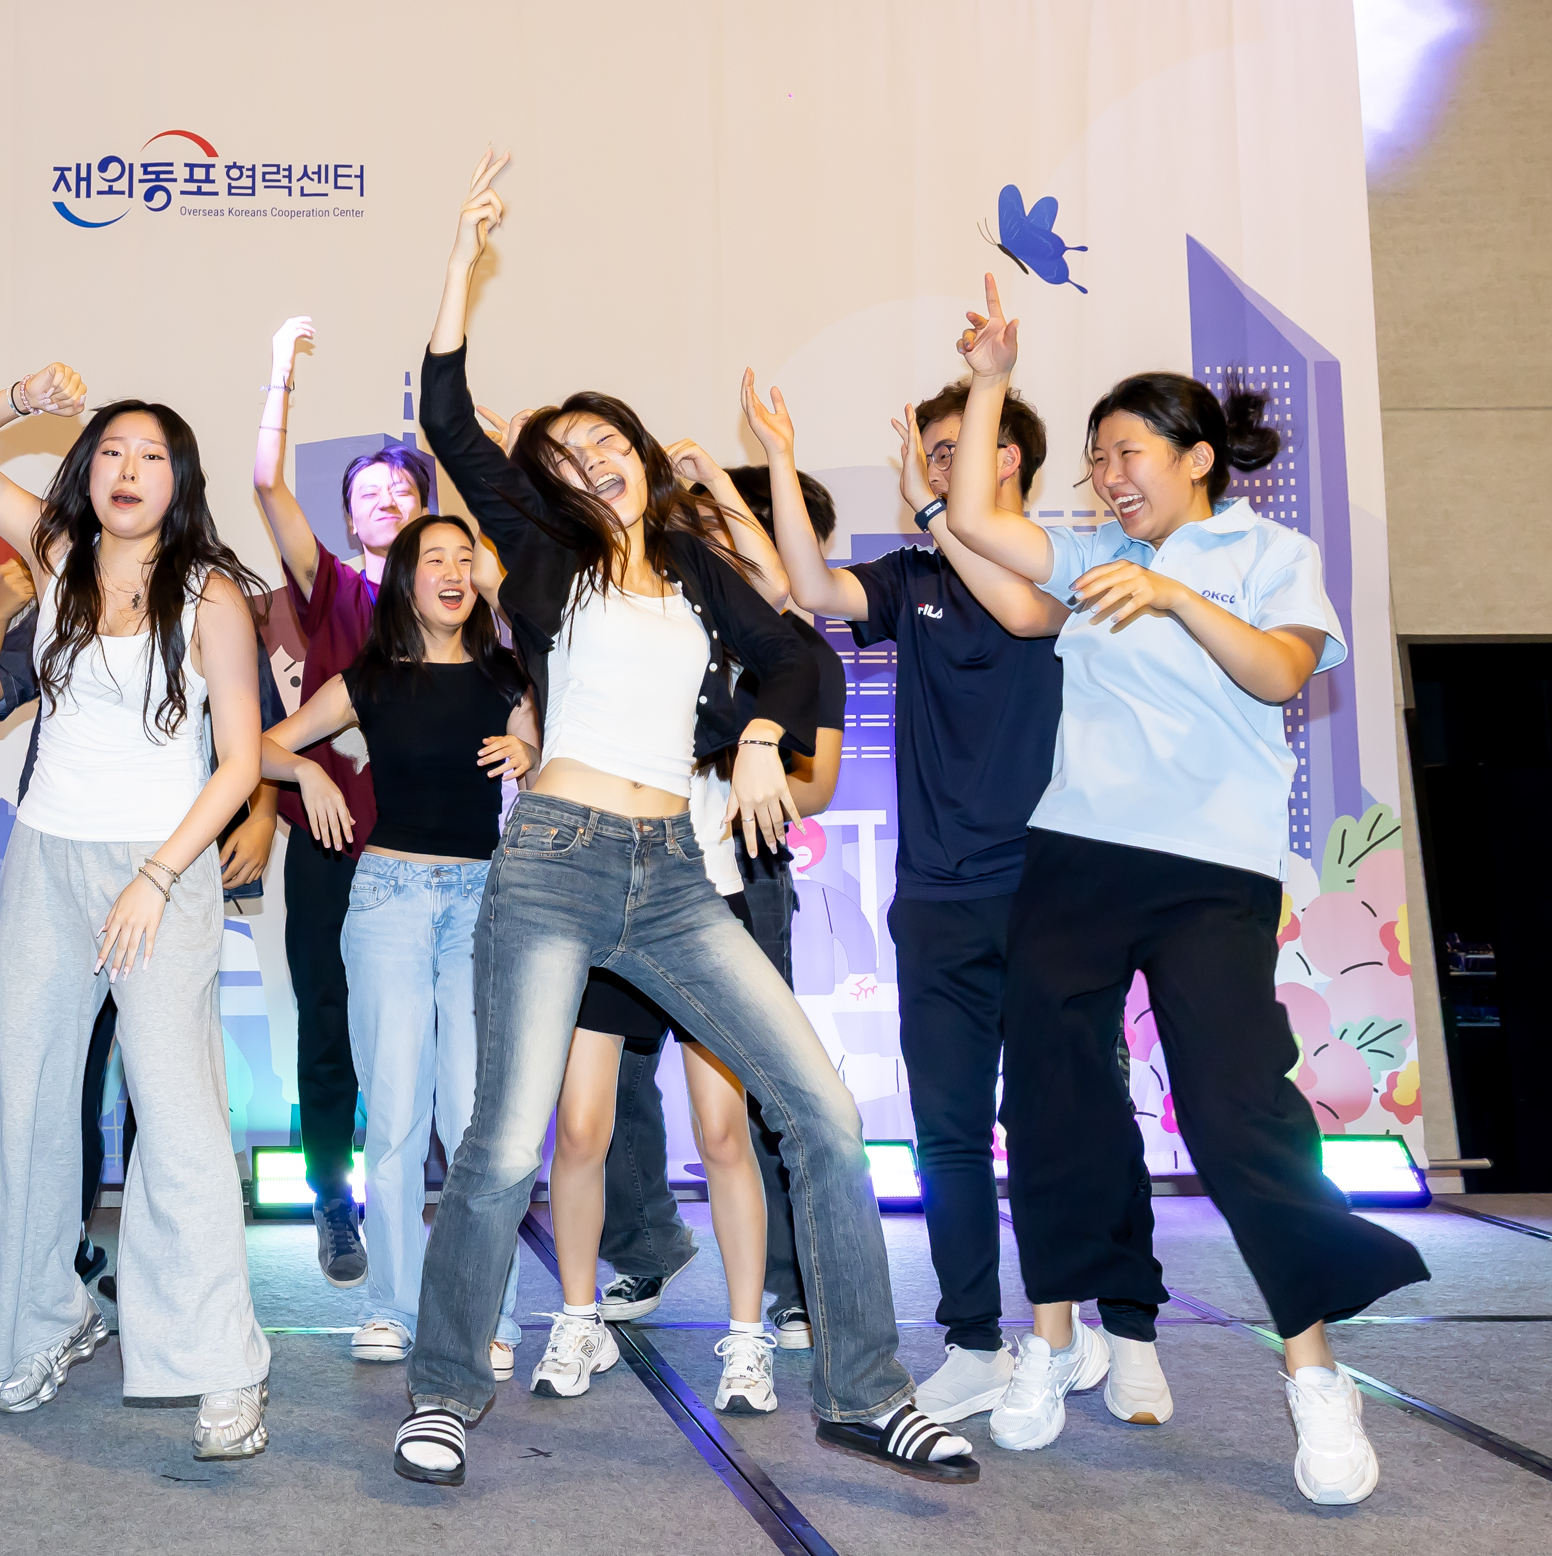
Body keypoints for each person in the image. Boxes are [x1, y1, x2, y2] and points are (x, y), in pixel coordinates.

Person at [389, 152, 975, 1489]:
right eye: (565, 456)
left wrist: (762, 735)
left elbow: (794, 655)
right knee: (504, 1144)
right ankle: (443, 1390)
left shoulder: (703, 568)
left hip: (675, 875)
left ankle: (864, 1389)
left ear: (644, 456)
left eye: (608, 443)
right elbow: (447, 414)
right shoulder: (548, 560)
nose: (591, 462)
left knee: (822, 1113)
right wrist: (462, 262)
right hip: (554, 864)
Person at [941, 273, 1428, 1503]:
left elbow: (1279, 673)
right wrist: (992, 379)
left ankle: (1314, 1373)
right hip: (1077, 853)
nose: (1108, 475)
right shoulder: (1093, 550)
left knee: (1234, 1106)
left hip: (1212, 867)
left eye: (1130, 453)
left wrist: (1174, 590)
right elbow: (976, 517)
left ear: (1196, 458)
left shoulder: (1269, 553)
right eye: (1098, 456)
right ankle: (1053, 1337)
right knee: (1050, 1090)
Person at [749, 368, 1171, 1429]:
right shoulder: (914, 577)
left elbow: (1023, 614)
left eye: (955, 451)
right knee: (945, 1131)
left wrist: (940, 509)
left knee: (1078, 1117)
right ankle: (975, 1340)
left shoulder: (1082, 561)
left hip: (1051, 890)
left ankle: (1128, 1326)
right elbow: (812, 587)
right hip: (937, 897)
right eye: (931, 456)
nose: (936, 471)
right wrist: (782, 459)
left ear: (1006, 458)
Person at [0, 366, 275, 1461]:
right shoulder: (57, 555)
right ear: (86, 470)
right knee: (28, 1105)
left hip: (160, 870)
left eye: (151, 456)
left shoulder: (211, 593)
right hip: (45, 861)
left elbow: (240, 760)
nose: (127, 470)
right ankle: (45, 1322)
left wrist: (158, 874)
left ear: (180, 481)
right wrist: (21, 397)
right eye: (112, 450)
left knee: (177, 1114)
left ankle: (220, 1365)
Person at [565, 461, 847, 1416]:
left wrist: (762, 746)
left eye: (724, 538)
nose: (709, 554)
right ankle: (590, 1303)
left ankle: (755, 1324)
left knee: (730, 1126)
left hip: (715, 894)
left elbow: (778, 602)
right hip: (604, 891)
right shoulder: (616, 623)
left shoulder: (770, 662)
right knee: (587, 1121)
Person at [259, 514, 534, 1382]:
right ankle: (392, 1306)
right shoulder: (369, 676)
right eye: (434, 559)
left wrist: (530, 745)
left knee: (475, 1121)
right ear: (404, 579)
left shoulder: (508, 675)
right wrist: (307, 769)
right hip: (387, 900)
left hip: (481, 901)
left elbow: (555, 756)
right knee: (395, 1116)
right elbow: (261, 746)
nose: (452, 571)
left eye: (465, 558)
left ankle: (486, 1313)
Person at [250, 313, 432, 1284]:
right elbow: (266, 486)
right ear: (352, 521)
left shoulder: (458, 606)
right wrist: (280, 372)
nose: (387, 502)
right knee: (327, 1025)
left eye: (404, 491)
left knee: (415, 1031)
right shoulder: (332, 591)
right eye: (370, 495)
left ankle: (411, 1199)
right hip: (328, 846)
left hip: (427, 851)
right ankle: (334, 1198)